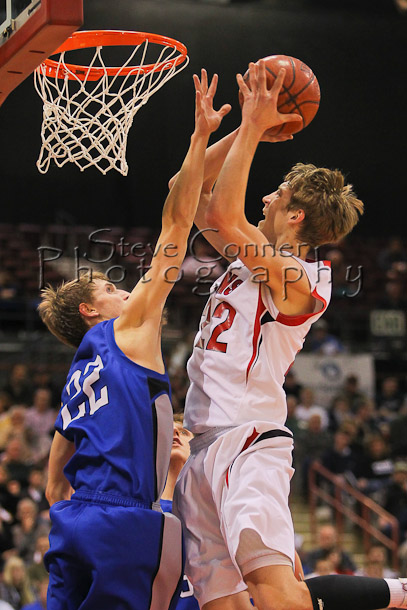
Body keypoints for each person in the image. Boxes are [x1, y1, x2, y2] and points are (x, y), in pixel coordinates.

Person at [173, 60, 407, 610]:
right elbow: (187, 192)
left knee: (275, 594)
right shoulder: (250, 257)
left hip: (247, 441)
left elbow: (225, 213)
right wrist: (237, 130)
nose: (265, 199)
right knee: (222, 605)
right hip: (202, 444)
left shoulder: (303, 279)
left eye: (277, 194)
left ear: (296, 215)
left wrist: (256, 128)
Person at [37, 70, 231, 610]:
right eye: (110, 289)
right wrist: (201, 136)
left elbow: (55, 473)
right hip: (122, 518)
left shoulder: (79, 371)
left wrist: (69, 505)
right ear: (89, 311)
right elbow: (176, 222)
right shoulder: (125, 331)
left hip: (73, 520)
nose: (124, 291)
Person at [160, 415, 199, 609]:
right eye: (167, 431)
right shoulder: (140, 514)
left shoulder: (221, 512)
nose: (175, 432)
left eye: (184, 432)